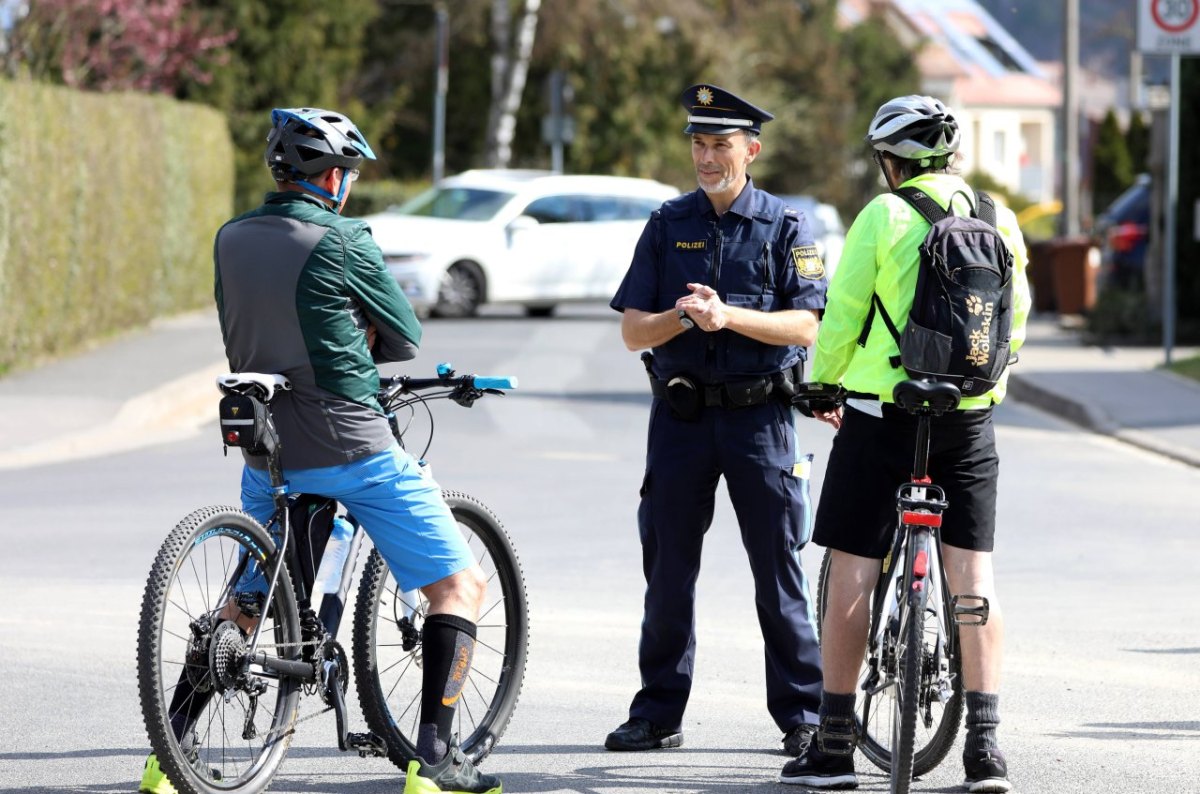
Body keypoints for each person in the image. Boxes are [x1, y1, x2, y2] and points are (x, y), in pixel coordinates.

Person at [139, 107, 502, 794]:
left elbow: (244, 322)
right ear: (331, 177)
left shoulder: (231, 237)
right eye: (348, 174)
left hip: (263, 445)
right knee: (461, 586)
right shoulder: (342, 238)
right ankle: (434, 759)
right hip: (349, 443)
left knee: (245, 604)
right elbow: (403, 335)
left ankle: (168, 754)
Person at [778, 95, 1030, 793]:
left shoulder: (884, 215)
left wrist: (823, 384)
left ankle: (832, 747)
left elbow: (844, 312)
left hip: (887, 414)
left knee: (852, 564)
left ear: (891, 162)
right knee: (973, 579)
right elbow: (1017, 321)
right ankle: (985, 750)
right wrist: (986, 391)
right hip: (969, 418)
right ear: (949, 157)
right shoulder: (997, 215)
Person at [605, 84, 827, 757]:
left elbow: (805, 323)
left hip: (760, 421)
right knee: (668, 572)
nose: (706, 157)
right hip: (681, 419)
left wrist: (728, 315)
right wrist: (684, 315)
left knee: (777, 574)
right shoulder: (668, 224)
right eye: (698, 145)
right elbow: (633, 332)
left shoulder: (787, 227)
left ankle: (804, 716)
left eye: (720, 146)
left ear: (750, 150)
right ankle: (658, 713)